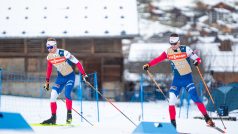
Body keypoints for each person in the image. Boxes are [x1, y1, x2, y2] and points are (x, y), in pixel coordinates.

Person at [143, 33, 215, 128]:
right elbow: (158, 59)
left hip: (187, 80)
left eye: (174, 44)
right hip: (176, 81)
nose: (172, 46)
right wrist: (149, 64)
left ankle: (207, 118)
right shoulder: (168, 52)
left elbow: (197, 58)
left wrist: (197, 61)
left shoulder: (186, 49)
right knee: (171, 100)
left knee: (195, 98)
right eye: (171, 44)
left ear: (179, 42)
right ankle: (173, 125)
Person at [41, 38, 88, 125]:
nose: (49, 49)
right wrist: (47, 81)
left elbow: (77, 62)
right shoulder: (49, 57)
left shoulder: (64, 53)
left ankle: (69, 115)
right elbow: (49, 68)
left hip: (70, 76)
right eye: (47, 48)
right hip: (60, 78)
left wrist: (83, 74)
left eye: (51, 47)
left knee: (67, 94)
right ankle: (53, 118)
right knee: (53, 95)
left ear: (55, 46)